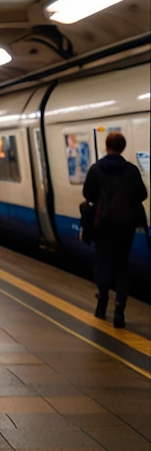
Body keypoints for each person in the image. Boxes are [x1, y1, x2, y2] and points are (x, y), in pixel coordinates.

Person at [82, 131, 147, 328]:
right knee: (121, 266)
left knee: (103, 262)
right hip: (126, 225)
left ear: (106, 146)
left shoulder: (96, 169)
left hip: (103, 224)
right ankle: (119, 310)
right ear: (123, 147)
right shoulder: (131, 170)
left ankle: (102, 304)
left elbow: (88, 194)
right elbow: (142, 194)